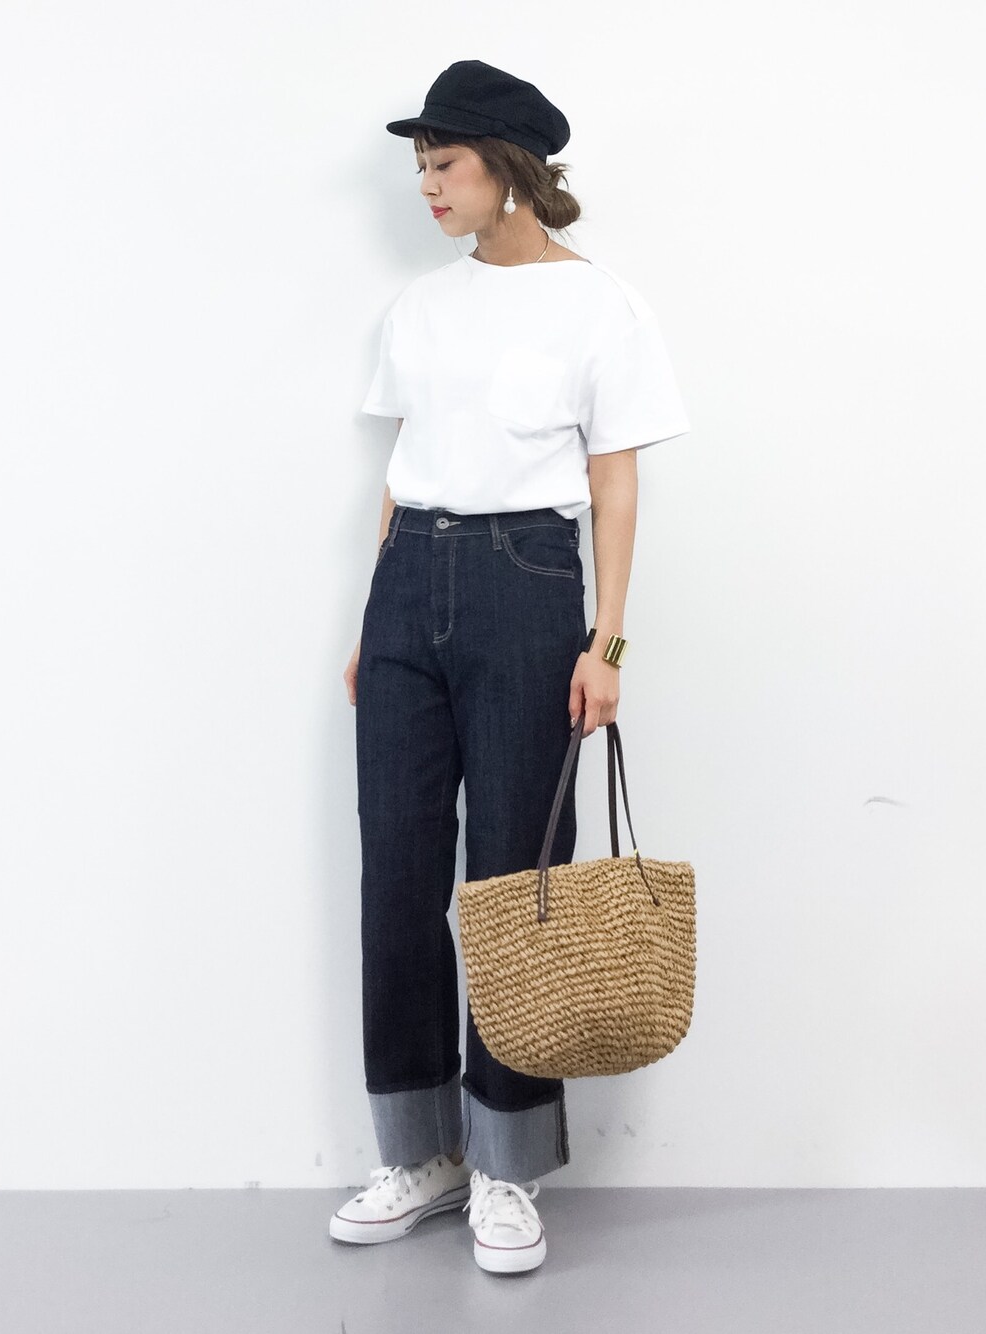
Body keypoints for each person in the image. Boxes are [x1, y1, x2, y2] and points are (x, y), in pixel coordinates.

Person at [331, 60, 691, 1275]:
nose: (427, 186)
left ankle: (505, 1163)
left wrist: (608, 642)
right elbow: (405, 470)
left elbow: (614, 484)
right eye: (419, 166)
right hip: (405, 591)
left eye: (444, 164)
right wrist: (370, 621)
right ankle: (419, 1151)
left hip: (529, 587)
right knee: (397, 876)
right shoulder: (420, 308)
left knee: (513, 884)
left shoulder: (601, 306)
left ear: (510, 169)